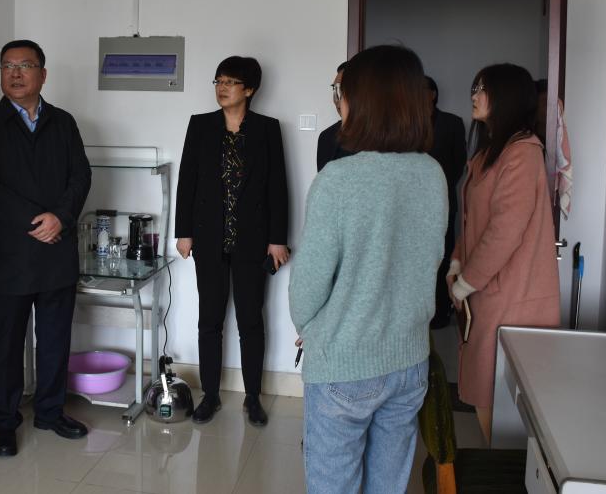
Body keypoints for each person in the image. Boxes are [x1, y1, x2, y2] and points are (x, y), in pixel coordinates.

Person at [290, 45, 447, 494]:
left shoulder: (338, 180)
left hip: (345, 362)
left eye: (341, 91)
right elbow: (430, 258)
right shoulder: (432, 174)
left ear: (361, 101)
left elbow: (307, 288)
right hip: (409, 360)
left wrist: (312, 329)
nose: (338, 100)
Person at [0, 39, 92, 456]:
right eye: (7, 66)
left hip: (57, 251)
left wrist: (61, 217)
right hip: (11, 255)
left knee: (55, 338)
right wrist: (36, 221)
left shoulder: (63, 122)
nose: (15, 73)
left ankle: (50, 411)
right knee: (5, 343)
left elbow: (81, 176)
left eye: (24, 65)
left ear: (43, 73)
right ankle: (4, 422)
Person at [448, 64, 560, 444]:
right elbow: (472, 221)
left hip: (512, 296)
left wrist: (464, 283)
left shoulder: (523, 154)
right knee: (486, 391)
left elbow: (504, 232)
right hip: (488, 292)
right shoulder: (489, 153)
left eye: (483, 89)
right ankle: (498, 462)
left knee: (500, 396)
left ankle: (502, 469)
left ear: (507, 97)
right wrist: (457, 261)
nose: (474, 95)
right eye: (475, 87)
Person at [175, 56, 289, 427]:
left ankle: (253, 397)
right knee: (209, 319)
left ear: (249, 89)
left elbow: (277, 186)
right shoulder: (201, 125)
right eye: (218, 81)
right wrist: (183, 232)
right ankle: (210, 395)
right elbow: (187, 181)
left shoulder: (267, 129)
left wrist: (277, 239)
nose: (222, 88)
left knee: (250, 320)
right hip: (208, 237)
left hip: (252, 240)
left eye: (230, 82)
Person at [425, 76, 467, 329]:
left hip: (444, 200)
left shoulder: (452, 123)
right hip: (413, 206)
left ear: (432, 94)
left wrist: (437, 185)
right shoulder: (408, 122)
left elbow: (459, 162)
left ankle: (441, 311)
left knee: (442, 256)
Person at [316, 61, 353, 171]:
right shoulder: (326, 137)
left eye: (342, 90)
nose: (336, 100)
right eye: (335, 89)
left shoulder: (387, 138)